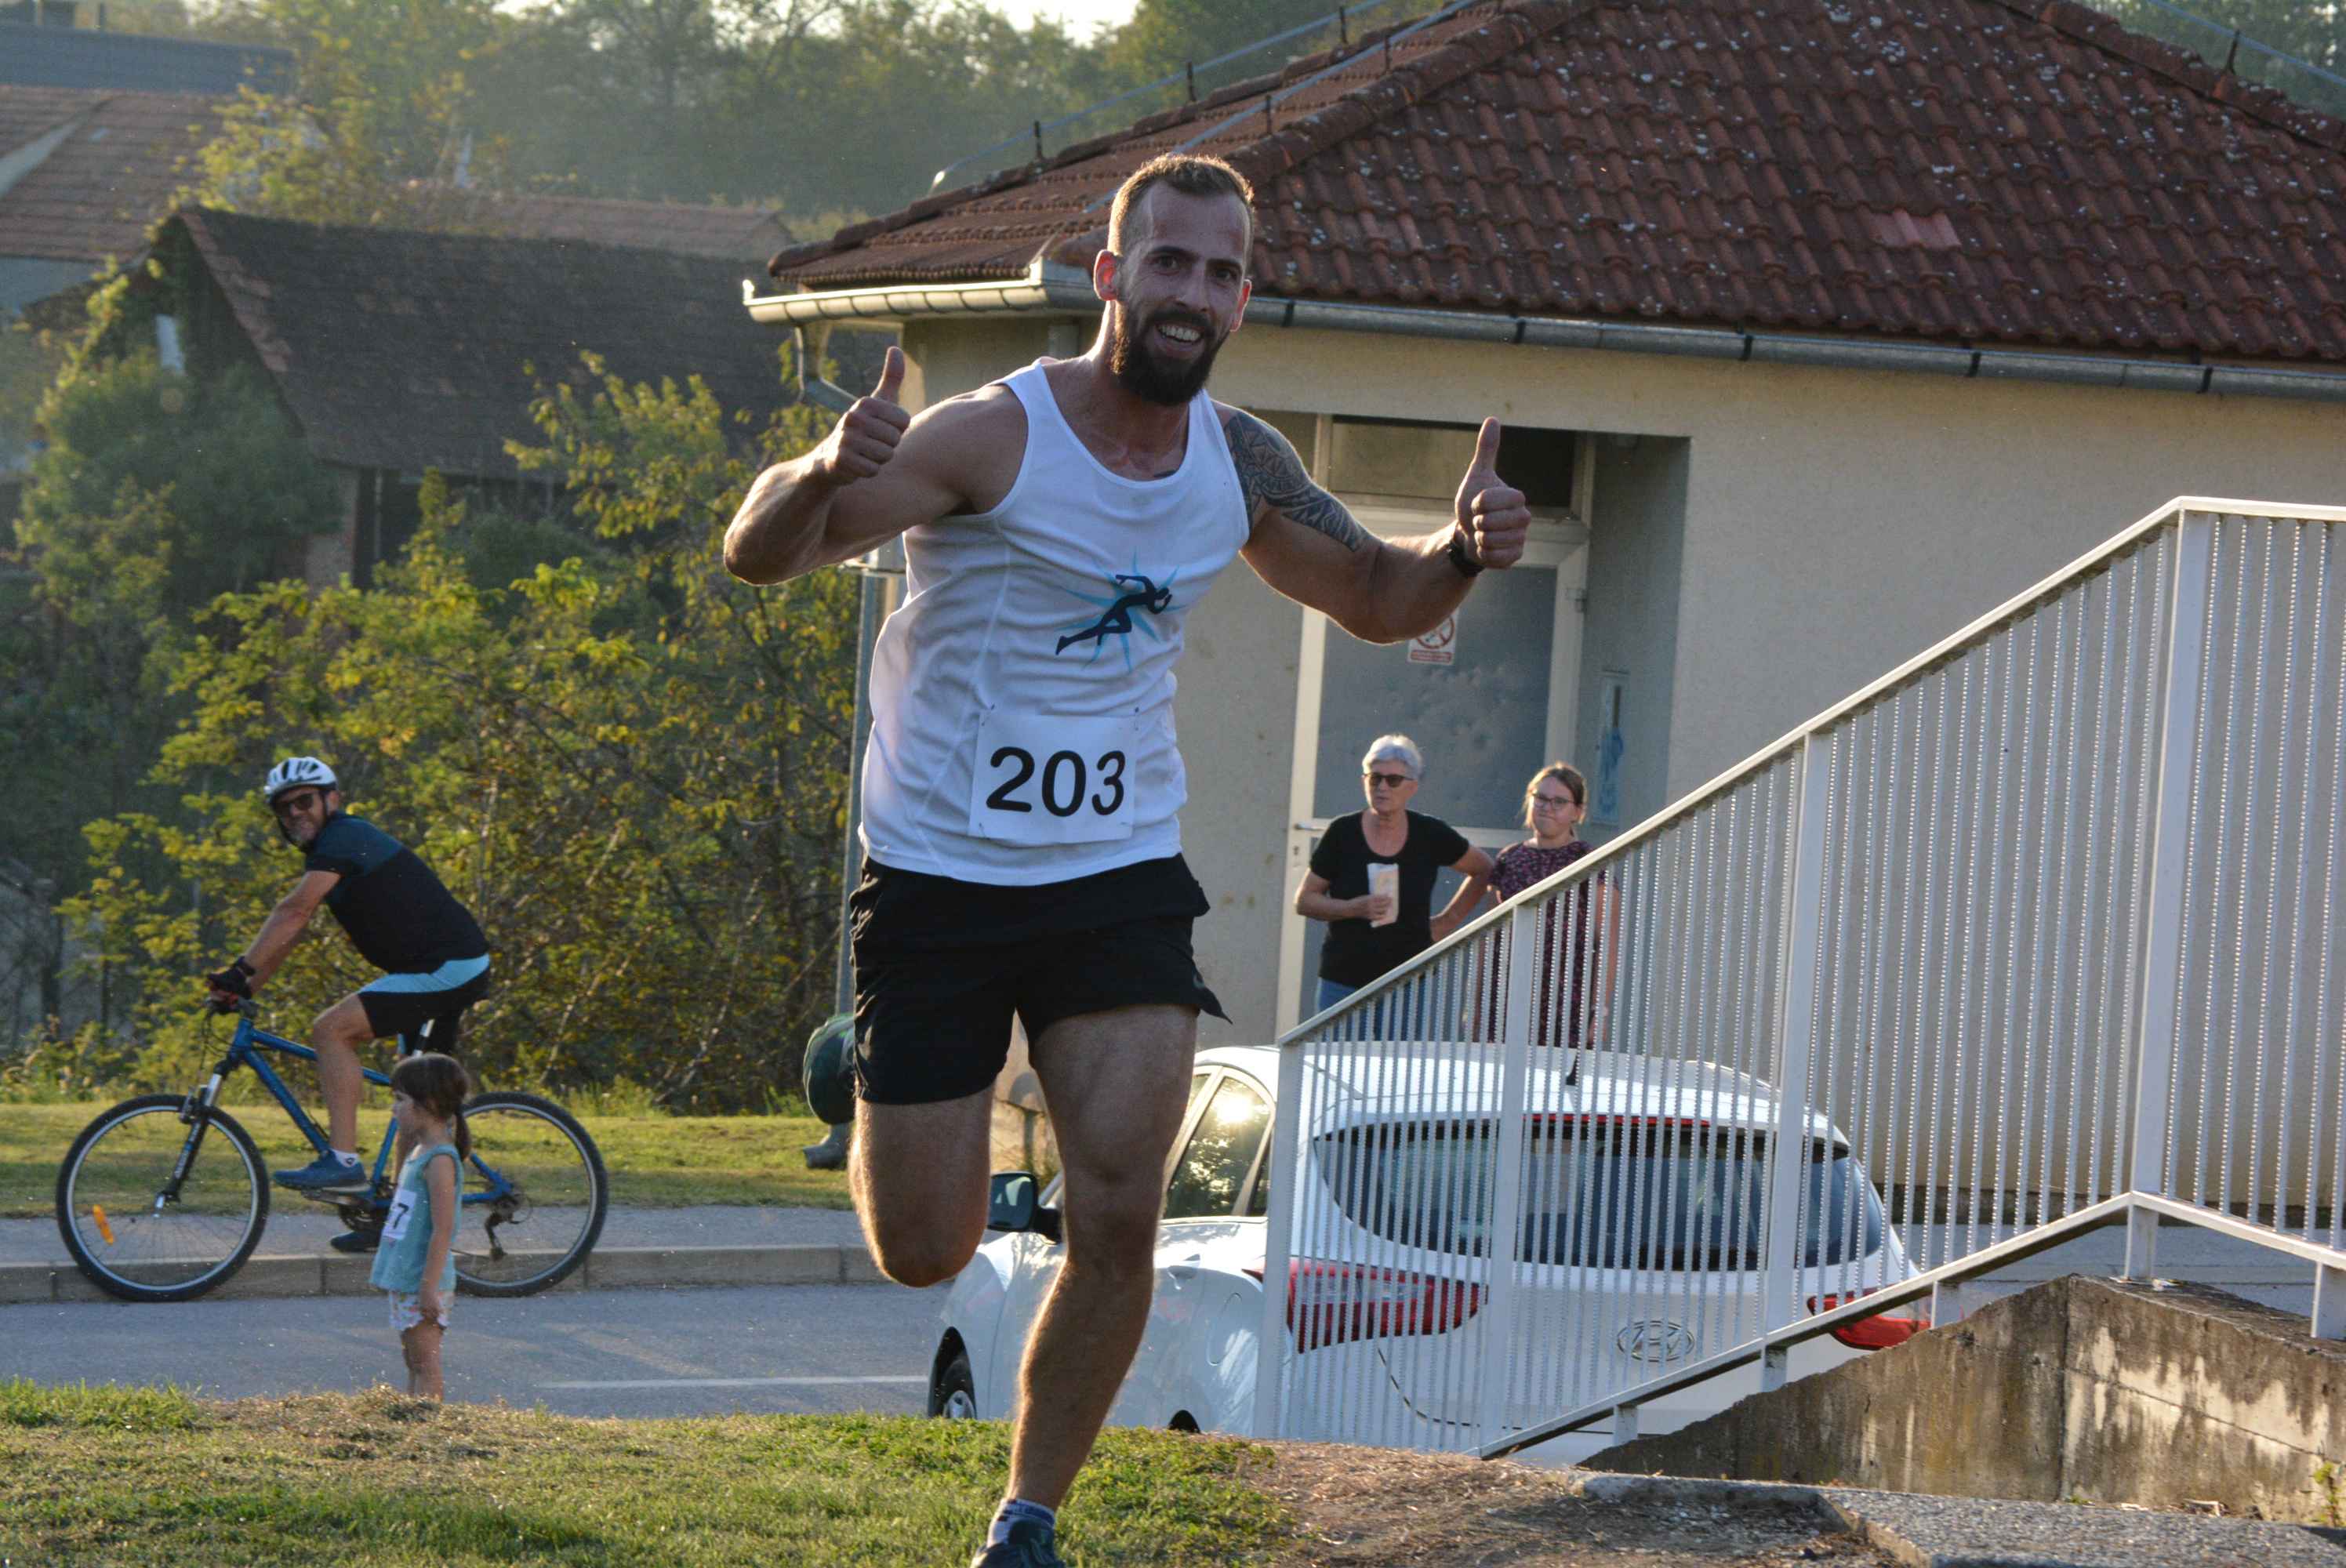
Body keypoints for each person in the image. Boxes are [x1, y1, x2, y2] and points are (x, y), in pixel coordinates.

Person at [722, 151, 1531, 1568]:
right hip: (938, 876)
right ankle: (876, 1065)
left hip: (1114, 874)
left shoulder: (1241, 461)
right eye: (1168, 263)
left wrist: (1460, 549)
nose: (1192, 294)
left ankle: (1025, 1521)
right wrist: (813, 472)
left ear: (1239, 298)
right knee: (922, 1245)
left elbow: (1374, 597)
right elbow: (762, 553)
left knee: (1119, 1204)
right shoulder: (993, 435)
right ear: (1112, 275)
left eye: (1220, 273)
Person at [203, 757, 490, 1232]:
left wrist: (239, 970)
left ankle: (343, 1162)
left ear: (331, 800)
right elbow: (290, 934)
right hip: (441, 967)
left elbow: (292, 911)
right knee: (413, 1095)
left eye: (304, 801)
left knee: (331, 1030)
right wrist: (244, 988)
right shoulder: (330, 853)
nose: (295, 813)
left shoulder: (345, 835)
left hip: (448, 967)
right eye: (284, 808)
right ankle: (393, 1224)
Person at [1293, 735, 1495, 1032]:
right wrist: (1352, 908)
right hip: (1344, 982)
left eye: (1393, 780)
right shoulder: (1343, 832)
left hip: (1409, 981)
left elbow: (1483, 870)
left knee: (1401, 1070)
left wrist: (1447, 921)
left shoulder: (1429, 833)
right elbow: (1305, 900)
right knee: (1337, 1069)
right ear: (1365, 781)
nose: (1382, 788)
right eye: (1375, 779)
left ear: (1412, 786)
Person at [1436, 762, 1618, 1051]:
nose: (1547, 808)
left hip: (1566, 1000)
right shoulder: (1510, 858)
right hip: (1508, 995)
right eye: (1540, 798)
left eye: (1559, 802)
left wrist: (1600, 1012)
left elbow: (1607, 943)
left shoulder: (1589, 861)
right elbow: (1489, 935)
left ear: (1577, 812)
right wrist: (1477, 1004)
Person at [370, 1052, 467, 1401]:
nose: (393, 1110)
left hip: (424, 1281)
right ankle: (413, 1422)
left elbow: (444, 1230)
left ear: (427, 1104)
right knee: (413, 1361)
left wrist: (428, 1288)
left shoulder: (439, 1160)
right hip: (408, 1277)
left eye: (400, 1101)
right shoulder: (418, 1151)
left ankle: (429, 1428)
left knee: (426, 1364)